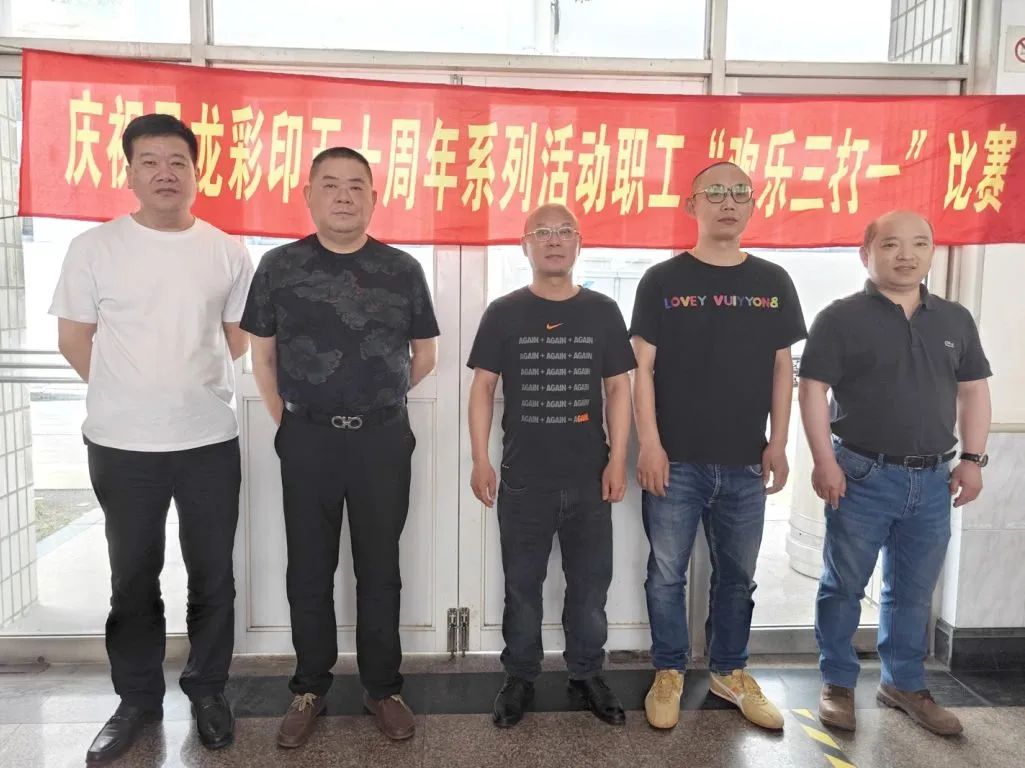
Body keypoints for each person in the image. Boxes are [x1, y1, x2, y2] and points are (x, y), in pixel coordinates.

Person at [51, 113, 252, 763]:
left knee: (212, 575)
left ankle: (208, 690)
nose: (165, 173)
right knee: (133, 577)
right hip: (121, 445)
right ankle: (136, 700)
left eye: (178, 162)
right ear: (130, 172)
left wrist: (183, 387)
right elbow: (74, 339)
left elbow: (236, 339)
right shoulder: (94, 248)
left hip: (207, 440)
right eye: (150, 161)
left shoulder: (226, 250)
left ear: (197, 172)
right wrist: (129, 391)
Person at [241, 146, 439, 748]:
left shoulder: (402, 269)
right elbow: (262, 356)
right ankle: (309, 688)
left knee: (380, 568)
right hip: (308, 439)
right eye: (330, 184)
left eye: (357, 185)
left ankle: (383, 688)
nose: (344, 196)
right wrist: (291, 420)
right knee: (308, 567)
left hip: (382, 439)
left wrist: (374, 399)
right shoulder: (279, 266)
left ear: (375, 197)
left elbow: (425, 355)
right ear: (309, 195)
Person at [799, 210, 992, 736]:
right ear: (867, 253)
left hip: (933, 480)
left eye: (919, 244)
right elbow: (812, 389)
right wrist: (824, 460)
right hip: (861, 474)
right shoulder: (839, 318)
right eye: (891, 244)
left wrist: (972, 459)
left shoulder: (955, 319)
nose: (906, 254)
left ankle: (903, 683)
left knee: (912, 589)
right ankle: (837, 682)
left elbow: (974, 390)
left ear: (931, 252)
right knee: (843, 585)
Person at [630, 161, 806, 731]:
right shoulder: (662, 280)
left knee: (738, 575)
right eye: (715, 193)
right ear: (692, 205)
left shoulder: (773, 281)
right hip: (675, 460)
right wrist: (649, 444)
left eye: (739, 193)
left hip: (745, 461)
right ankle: (669, 670)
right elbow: (641, 369)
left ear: (752, 204)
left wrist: (778, 442)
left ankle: (730, 671)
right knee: (666, 573)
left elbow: (782, 368)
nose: (728, 202)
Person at [467, 203, 635, 728]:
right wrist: (480, 459)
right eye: (543, 232)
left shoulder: (603, 311)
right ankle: (519, 677)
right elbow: (483, 388)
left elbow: (618, 389)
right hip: (524, 481)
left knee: (590, 589)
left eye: (564, 232)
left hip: (589, 478)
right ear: (526, 246)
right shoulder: (504, 312)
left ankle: (586, 674)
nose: (554, 240)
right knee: (522, 589)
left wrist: (618, 460)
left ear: (579, 243)